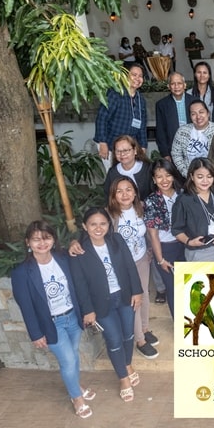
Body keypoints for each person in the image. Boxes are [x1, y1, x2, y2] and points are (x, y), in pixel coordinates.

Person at [11, 220, 94, 418]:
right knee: (67, 360)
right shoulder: (21, 272)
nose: (42, 243)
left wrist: (86, 310)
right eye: (36, 239)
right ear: (27, 243)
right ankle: (76, 398)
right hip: (51, 323)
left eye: (46, 238)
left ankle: (76, 386)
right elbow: (26, 305)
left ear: (53, 239)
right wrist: (35, 333)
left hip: (72, 316)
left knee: (73, 355)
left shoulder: (64, 258)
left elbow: (79, 283)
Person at [70, 207, 143, 402]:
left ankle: (127, 365)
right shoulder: (79, 250)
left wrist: (137, 291)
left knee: (128, 335)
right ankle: (123, 378)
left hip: (124, 296)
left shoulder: (116, 240)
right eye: (93, 224)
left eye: (102, 223)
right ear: (85, 226)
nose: (98, 228)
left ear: (109, 225)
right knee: (114, 339)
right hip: (101, 304)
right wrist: (88, 310)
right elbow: (80, 284)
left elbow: (129, 265)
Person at [106, 178, 158, 359]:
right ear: (113, 195)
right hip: (122, 266)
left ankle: (144, 328)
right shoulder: (109, 215)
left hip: (141, 258)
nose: (125, 194)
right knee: (133, 300)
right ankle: (139, 340)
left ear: (135, 192)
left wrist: (149, 249)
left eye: (129, 189)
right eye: (119, 191)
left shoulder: (140, 209)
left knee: (144, 294)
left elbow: (149, 232)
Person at [144, 158, 185, 312]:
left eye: (168, 175)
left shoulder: (183, 195)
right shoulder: (151, 201)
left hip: (186, 246)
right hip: (166, 249)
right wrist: (160, 260)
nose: (164, 180)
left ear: (173, 176)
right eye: (159, 177)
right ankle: (180, 326)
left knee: (190, 285)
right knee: (173, 288)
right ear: (154, 180)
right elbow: (153, 235)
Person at [171, 158, 214, 261]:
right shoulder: (184, 200)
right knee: (202, 278)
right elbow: (176, 229)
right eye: (200, 177)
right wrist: (189, 242)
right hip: (198, 252)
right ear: (192, 176)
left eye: (209, 176)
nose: (205, 181)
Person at [94, 62, 147, 162]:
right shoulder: (115, 93)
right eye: (134, 75)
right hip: (110, 145)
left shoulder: (141, 99)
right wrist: (102, 142)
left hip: (129, 148)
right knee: (114, 176)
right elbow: (102, 118)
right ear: (125, 76)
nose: (137, 78)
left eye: (140, 76)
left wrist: (143, 146)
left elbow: (142, 126)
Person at [173, 99, 214, 175]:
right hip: (189, 177)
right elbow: (176, 154)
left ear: (208, 113)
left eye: (201, 112)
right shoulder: (182, 131)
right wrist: (186, 173)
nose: (198, 117)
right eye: (193, 114)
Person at [102, 135, 154, 201]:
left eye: (126, 150)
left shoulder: (148, 169)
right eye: (118, 151)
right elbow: (108, 197)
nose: (122, 154)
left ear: (135, 150)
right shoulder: (112, 172)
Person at [155, 72, 195, 157]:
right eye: (173, 84)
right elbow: (160, 131)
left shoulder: (194, 101)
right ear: (168, 86)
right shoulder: (161, 105)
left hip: (193, 147)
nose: (176, 87)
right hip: (172, 149)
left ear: (185, 85)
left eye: (179, 83)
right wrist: (165, 153)